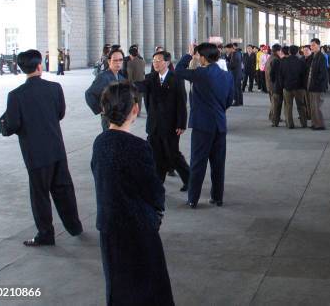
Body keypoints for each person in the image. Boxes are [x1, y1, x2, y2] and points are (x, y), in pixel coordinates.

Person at [91, 82, 174, 306]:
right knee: (148, 283)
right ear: (135, 110)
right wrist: (157, 212)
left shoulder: (99, 142)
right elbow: (153, 189)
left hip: (109, 225)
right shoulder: (138, 146)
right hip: (138, 226)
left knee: (117, 283)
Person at [2, 49, 83, 246]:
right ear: (40, 66)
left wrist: (3, 124)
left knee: (40, 195)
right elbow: (60, 113)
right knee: (64, 188)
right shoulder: (55, 88)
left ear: (22, 68)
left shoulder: (16, 95)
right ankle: (74, 226)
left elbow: (10, 126)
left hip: (35, 154)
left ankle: (46, 234)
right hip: (56, 148)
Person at [175, 43, 234, 208]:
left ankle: (193, 199)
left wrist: (188, 55)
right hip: (220, 125)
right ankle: (217, 197)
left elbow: (178, 71)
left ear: (202, 57)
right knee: (218, 164)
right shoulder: (227, 75)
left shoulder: (200, 73)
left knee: (198, 163)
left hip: (202, 125)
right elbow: (229, 100)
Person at [138, 50, 189, 188]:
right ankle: (157, 184)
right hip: (154, 125)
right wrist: (123, 83)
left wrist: (181, 124)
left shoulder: (176, 78)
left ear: (167, 62)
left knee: (173, 155)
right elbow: (139, 86)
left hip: (171, 125)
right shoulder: (150, 78)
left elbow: (181, 103)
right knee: (156, 156)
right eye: (154, 61)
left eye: (159, 60)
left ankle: (189, 180)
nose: (156, 63)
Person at [86, 49, 127, 131]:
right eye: (115, 60)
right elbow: (89, 94)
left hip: (120, 116)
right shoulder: (103, 77)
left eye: (120, 60)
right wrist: (101, 109)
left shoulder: (121, 77)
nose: (118, 62)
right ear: (109, 61)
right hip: (109, 119)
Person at [281, 45, 308, 129]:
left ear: (289, 52)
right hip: (299, 88)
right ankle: (304, 123)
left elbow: (281, 75)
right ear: (297, 52)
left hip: (287, 87)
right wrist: (304, 86)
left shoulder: (283, 62)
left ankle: (290, 124)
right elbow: (305, 76)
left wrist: (283, 85)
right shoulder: (301, 62)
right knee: (301, 105)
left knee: (288, 106)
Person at [307, 38, 328, 130]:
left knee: (317, 107)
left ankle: (319, 125)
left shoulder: (321, 57)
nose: (311, 47)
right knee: (313, 106)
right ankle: (314, 123)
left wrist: (317, 83)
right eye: (311, 45)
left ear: (319, 45)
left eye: (313, 45)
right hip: (311, 85)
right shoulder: (314, 56)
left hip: (317, 87)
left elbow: (323, 74)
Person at [126, 46, 146, 116]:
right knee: (139, 99)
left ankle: (133, 112)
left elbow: (130, 76)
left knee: (133, 98)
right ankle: (138, 112)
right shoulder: (143, 61)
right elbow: (143, 72)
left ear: (130, 54)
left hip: (134, 83)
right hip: (141, 82)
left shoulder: (130, 63)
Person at [268, 44, 284, 127]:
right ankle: (274, 120)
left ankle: (272, 117)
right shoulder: (276, 60)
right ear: (278, 51)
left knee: (274, 103)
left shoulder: (270, 58)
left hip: (271, 85)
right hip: (275, 86)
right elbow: (273, 75)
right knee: (276, 104)